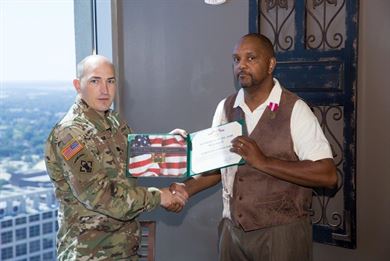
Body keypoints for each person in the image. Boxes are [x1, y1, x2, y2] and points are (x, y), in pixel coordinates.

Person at [169, 33, 337, 261]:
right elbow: (219, 168)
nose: (241, 65)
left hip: (282, 234)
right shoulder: (226, 108)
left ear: (271, 64)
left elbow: (328, 175)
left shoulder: (296, 110)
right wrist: (185, 190)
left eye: (251, 58)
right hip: (231, 233)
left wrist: (264, 161)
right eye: (236, 59)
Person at [44, 54, 186, 261]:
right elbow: (102, 197)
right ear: (78, 85)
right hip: (89, 254)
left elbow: (137, 158)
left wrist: (170, 145)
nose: (105, 90)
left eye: (110, 81)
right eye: (95, 81)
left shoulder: (114, 121)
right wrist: (160, 196)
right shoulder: (70, 134)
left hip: (124, 251)